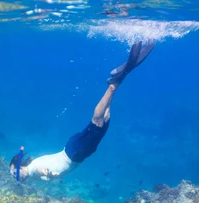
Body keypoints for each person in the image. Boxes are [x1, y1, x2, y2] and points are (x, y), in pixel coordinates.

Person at [9, 40, 155, 182]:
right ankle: (114, 84)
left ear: (19, 167)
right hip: (73, 151)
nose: (16, 176)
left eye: (14, 173)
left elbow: (41, 170)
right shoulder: (33, 170)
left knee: (97, 122)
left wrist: (49, 174)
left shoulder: (33, 168)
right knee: (104, 120)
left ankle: (112, 87)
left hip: (74, 153)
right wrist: (52, 176)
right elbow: (45, 173)